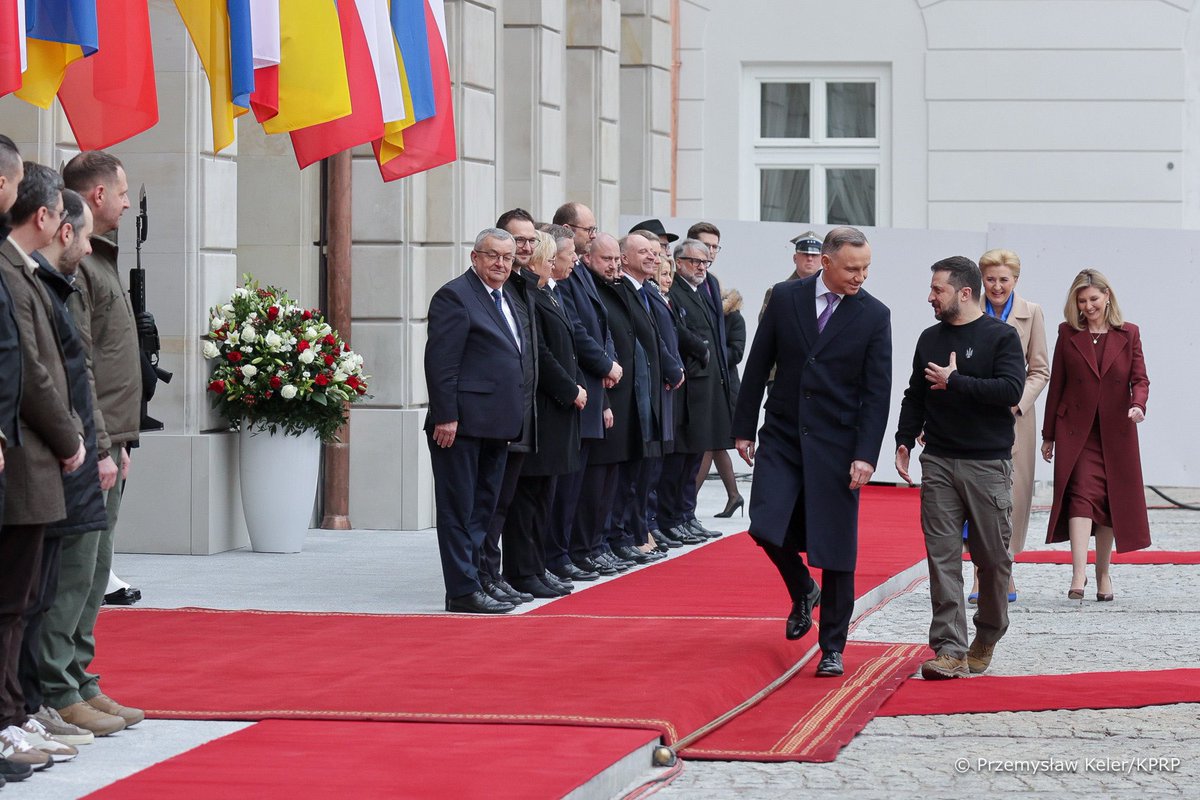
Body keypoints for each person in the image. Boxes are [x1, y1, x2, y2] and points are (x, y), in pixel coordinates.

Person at [733, 226, 891, 679]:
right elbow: (759, 363)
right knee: (765, 524)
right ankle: (803, 588)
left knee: (835, 548)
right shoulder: (786, 298)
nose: (860, 276)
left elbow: (876, 392)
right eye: (852, 268)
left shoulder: (874, 314)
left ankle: (833, 646)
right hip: (783, 434)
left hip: (838, 446)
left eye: (866, 268)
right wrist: (743, 428)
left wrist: (866, 454)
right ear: (826, 262)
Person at [42, 151, 144, 735]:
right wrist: (101, 443)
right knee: (76, 570)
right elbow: (77, 363)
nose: (128, 203)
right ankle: (59, 688)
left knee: (96, 567)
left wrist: (119, 440)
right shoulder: (79, 264)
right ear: (98, 195)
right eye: (122, 192)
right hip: (88, 442)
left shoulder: (98, 258)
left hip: (109, 438)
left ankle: (79, 678)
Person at [895, 256, 1025, 680]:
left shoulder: (1001, 336)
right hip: (938, 461)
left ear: (964, 293)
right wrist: (903, 439)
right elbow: (915, 393)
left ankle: (988, 633)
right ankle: (949, 649)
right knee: (942, 558)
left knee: (993, 561)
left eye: (938, 290)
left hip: (987, 464)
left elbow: (1011, 390)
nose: (930, 297)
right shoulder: (929, 338)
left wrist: (956, 381)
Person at [1, 159, 86, 771]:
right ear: (42, 215)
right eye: (59, 212)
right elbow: (28, 370)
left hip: (39, 456)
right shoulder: (10, 271)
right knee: (13, 602)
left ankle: (18, 707)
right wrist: (69, 437)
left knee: (28, 597)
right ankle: (9, 714)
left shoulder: (23, 271)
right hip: (27, 454)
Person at [20, 188, 108, 757]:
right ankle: (39, 698)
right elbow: (37, 374)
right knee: (31, 595)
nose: (88, 245)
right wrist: (78, 440)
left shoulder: (47, 278)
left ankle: (54, 690)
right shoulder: (28, 279)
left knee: (56, 584)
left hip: (74, 444)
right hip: (45, 453)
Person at [424, 228, 526, 613]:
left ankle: (481, 579)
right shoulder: (455, 296)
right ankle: (462, 591)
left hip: (497, 424)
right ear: (475, 257)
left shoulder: (505, 296)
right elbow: (441, 362)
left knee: (484, 509)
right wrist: (446, 415)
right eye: (492, 255)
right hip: (461, 426)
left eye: (507, 257)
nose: (501, 263)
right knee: (459, 510)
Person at [1041, 269, 1150, 602]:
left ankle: (1103, 573)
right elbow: (1057, 384)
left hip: (1116, 431)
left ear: (1107, 296)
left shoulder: (1129, 333)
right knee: (1081, 496)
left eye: (1093, 299)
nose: (1088, 306)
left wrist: (1138, 405)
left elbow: (1140, 379)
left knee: (1109, 502)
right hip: (1076, 431)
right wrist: (1048, 435)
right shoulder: (1068, 333)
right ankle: (1079, 573)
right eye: (1081, 301)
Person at [502, 232, 588, 597]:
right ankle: (523, 571)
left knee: (542, 497)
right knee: (527, 498)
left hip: (557, 411)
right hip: (543, 408)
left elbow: (568, 348)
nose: (552, 266)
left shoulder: (548, 294)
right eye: (549, 259)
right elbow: (542, 354)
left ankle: (537, 567)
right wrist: (570, 389)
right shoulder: (530, 297)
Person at [966, 249, 1049, 605]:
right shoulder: (969, 307)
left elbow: (1040, 369)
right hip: (972, 414)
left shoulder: (1032, 313)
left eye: (1004, 279)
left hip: (1015, 419)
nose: (997, 286)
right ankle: (978, 575)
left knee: (1010, 497)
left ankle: (1005, 570)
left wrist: (1016, 401)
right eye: (990, 279)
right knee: (974, 495)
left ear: (1016, 279)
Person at [662, 238, 730, 543]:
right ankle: (672, 518)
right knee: (680, 460)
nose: (702, 267)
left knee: (694, 458)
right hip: (687, 387)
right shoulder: (675, 291)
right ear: (679, 263)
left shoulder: (703, 290)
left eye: (706, 262)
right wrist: (701, 350)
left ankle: (686, 515)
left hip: (706, 386)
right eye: (696, 262)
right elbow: (679, 332)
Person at [697, 287, 747, 518]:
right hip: (710, 386)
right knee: (716, 445)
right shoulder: (707, 317)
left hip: (725, 389)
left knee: (711, 443)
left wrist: (708, 351)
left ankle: (688, 503)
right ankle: (734, 496)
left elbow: (736, 353)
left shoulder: (734, 318)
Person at [760, 230, 823, 320]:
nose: (809, 258)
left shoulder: (829, 292)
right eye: (805, 254)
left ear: (822, 259)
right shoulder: (777, 292)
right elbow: (765, 324)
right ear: (795, 258)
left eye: (814, 255)